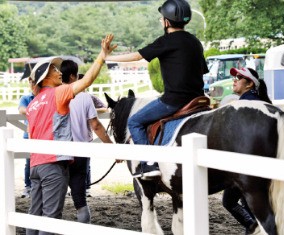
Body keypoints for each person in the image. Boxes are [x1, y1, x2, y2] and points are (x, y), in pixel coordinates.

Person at [105, 0, 208, 178]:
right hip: (199, 99)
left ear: (167, 22)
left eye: (162, 18)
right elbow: (202, 71)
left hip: (173, 101)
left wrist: (109, 57)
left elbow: (138, 55)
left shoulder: (166, 41)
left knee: (134, 122)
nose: (161, 21)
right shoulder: (195, 42)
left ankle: (149, 164)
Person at [25, 34, 115, 235]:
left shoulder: (32, 104)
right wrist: (102, 55)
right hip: (54, 164)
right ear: (46, 77)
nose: (59, 72)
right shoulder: (59, 93)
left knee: (34, 214)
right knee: (51, 217)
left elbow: (32, 133)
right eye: (54, 69)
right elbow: (88, 80)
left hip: (35, 165)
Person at [60, 59, 113, 223]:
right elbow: (96, 125)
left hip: (57, 152)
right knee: (80, 198)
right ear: (73, 76)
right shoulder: (84, 97)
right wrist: (112, 148)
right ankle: (83, 225)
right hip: (80, 153)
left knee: (53, 196)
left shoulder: (52, 95)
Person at [222, 67, 272, 234]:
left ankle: (253, 227)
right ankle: (254, 227)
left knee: (231, 201)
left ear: (250, 83)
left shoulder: (243, 105)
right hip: (263, 162)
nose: (234, 80)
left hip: (244, 164)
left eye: (239, 77)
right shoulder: (261, 103)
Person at [18, 76, 35, 198]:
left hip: (42, 135)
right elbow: (21, 110)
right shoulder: (26, 98)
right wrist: (37, 109)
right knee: (28, 161)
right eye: (30, 82)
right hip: (28, 134)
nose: (32, 84)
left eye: (34, 82)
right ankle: (28, 186)